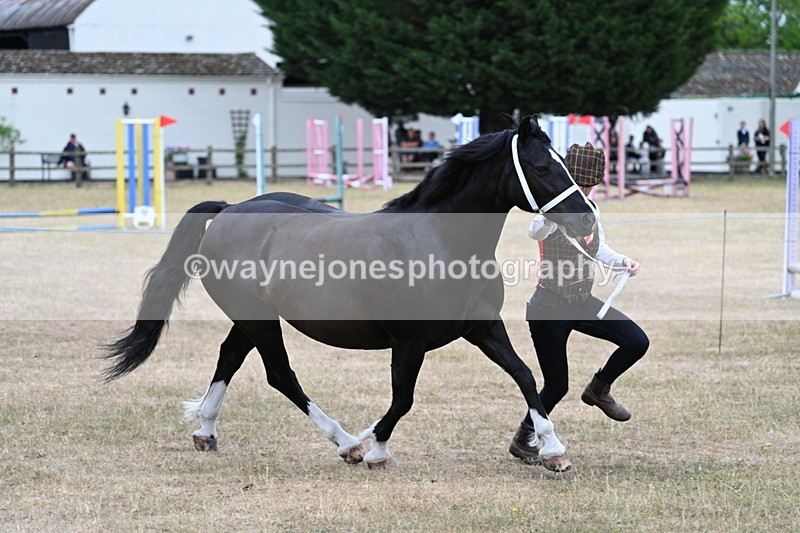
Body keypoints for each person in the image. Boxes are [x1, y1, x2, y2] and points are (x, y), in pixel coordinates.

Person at [509, 142, 649, 465]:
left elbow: (599, 249)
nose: (584, 189)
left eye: (589, 184)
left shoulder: (592, 211)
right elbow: (535, 230)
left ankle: (599, 388)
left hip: (583, 301)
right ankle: (523, 439)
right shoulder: (552, 211)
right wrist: (550, 215)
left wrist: (623, 261)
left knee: (637, 342)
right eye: (579, 183)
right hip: (548, 308)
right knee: (557, 385)